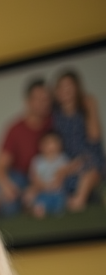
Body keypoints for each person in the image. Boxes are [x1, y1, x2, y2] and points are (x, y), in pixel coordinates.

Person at [0, 79, 52, 216]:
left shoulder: (55, 123)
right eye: (38, 99)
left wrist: (37, 186)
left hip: (47, 179)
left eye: (46, 99)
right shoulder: (15, 129)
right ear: (28, 102)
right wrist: (6, 186)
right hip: (19, 179)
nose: (43, 103)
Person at [51, 69, 104, 211]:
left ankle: (79, 199)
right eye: (61, 87)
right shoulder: (55, 115)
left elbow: (94, 137)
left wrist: (92, 108)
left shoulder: (84, 110)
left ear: (77, 88)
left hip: (88, 158)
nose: (65, 91)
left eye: (69, 86)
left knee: (90, 169)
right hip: (66, 161)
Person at [25, 130, 72, 217]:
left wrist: (58, 181)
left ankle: (55, 209)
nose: (51, 146)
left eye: (54, 143)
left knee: (60, 203)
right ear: (41, 146)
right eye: (47, 143)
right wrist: (41, 185)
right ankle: (37, 208)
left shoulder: (63, 159)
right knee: (32, 197)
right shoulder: (37, 161)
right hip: (42, 191)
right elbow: (34, 177)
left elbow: (65, 173)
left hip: (59, 192)